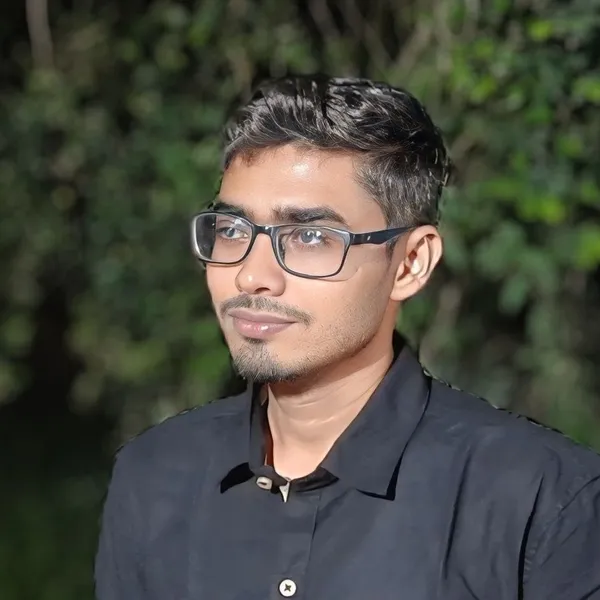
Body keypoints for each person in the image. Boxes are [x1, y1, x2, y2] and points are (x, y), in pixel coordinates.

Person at [95, 76, 600, 600]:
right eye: (233, 231)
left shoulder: (543, 501)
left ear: (410, 263)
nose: (251, 276)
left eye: (310, 236)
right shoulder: (156, 475)